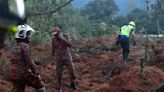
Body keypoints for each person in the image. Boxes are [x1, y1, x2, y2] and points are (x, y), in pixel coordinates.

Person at [9, 22, 45, 92]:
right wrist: (36, 73)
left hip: (13, 74)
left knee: (18, 89)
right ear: (23, 34)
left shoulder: (14, 47)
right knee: (40, 86)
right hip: (23, 74)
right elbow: (29, 62)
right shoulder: (25, 46)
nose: (29, 36)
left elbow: (18, 59)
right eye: (28, 34)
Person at [52, 27, 77, 92]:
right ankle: (59, 86)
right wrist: (53, 57)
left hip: (67, 57)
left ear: (59, 32)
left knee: (71, 71)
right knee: (58, 73)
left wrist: (62, 38)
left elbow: (69, 44)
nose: (55, 35)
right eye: (54, 34)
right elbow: (53, 49)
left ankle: (73, 83)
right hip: (58, 58)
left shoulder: (65, 36)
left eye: (56, 34)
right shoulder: (53, 39)